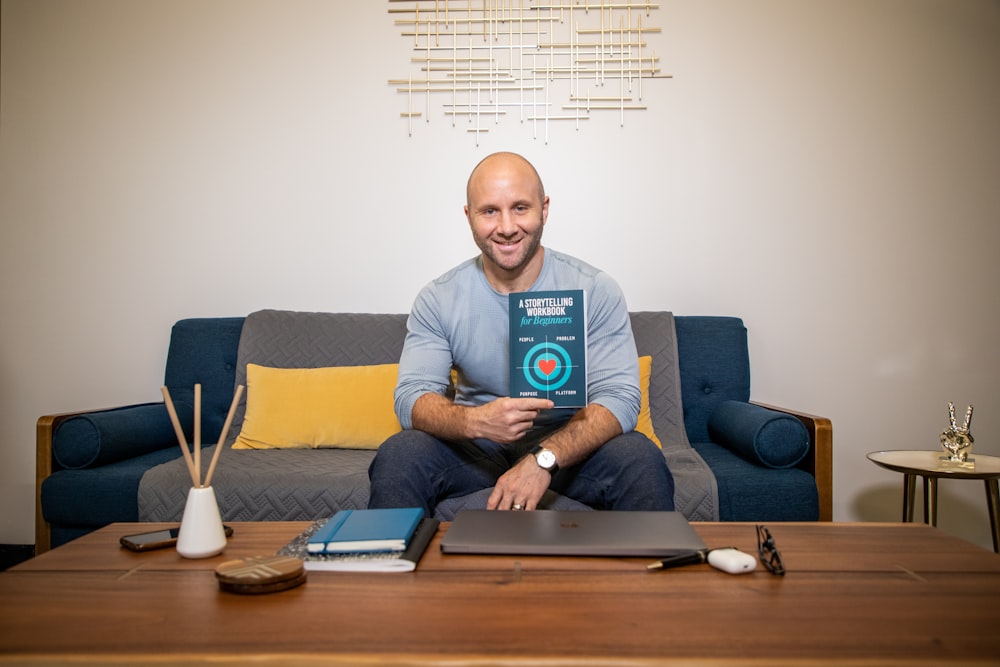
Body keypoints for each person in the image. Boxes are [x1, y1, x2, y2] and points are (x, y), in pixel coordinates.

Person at [368, 152, 674, 515]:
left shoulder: (595, 289)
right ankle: (388, 570)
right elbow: (411, 398)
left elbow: (620, 397)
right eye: (489, 211)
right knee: (400, 454)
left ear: (544, 209)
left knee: (640, 457)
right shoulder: (439, 297)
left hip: (566, 446)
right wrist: (474, 421)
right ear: (469, 216)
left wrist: (545, 459)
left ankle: (651, 568)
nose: (507, 227)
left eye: (520, 208)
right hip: (475, 447)